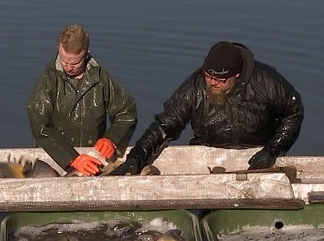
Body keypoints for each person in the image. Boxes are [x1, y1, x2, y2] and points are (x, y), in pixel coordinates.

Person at [110, 41, 304, 175]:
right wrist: (137, 156)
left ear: (236, 75)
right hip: (208, 155)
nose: (212, 83)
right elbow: (164, 125)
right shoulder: (195, 87)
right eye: (208, 76)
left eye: (219, 79)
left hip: (256, 154)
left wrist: (272, 150)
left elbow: (294, 111)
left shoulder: (265, 82)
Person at [27, 24, 138, 176]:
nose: (69, 67)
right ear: (58, 48)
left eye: (75, 63)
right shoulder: (48, 81)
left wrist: (112, 138)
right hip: (54, 158)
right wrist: (72, 158)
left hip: (93, 158)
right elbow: (39, 126)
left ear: (87, 55)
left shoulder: (102, 80)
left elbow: (126, 111)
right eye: (64, 61)